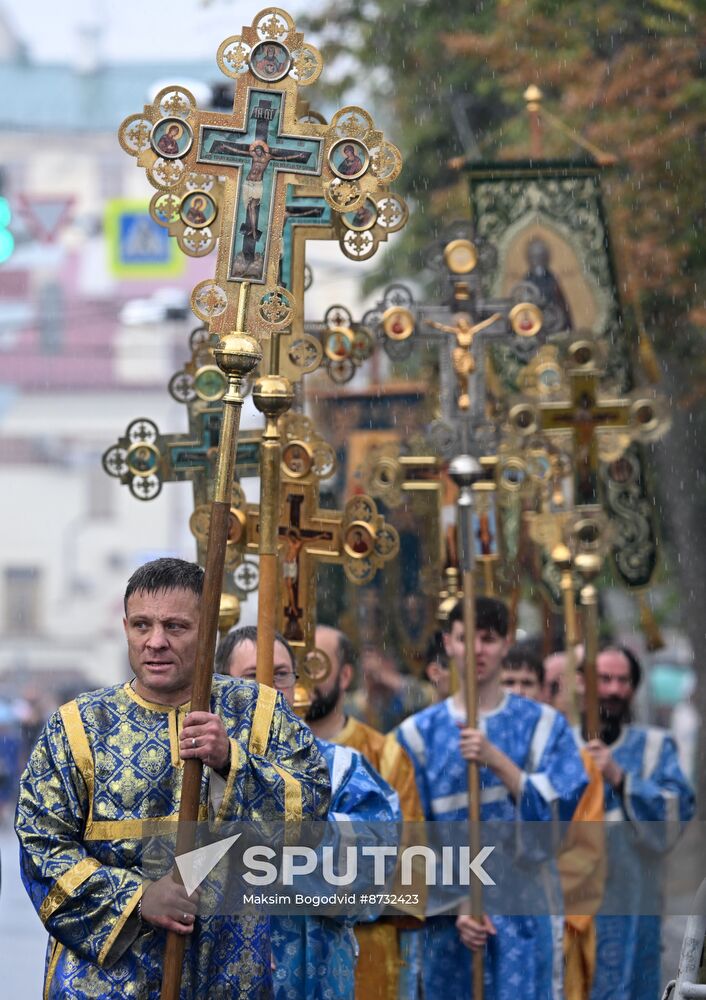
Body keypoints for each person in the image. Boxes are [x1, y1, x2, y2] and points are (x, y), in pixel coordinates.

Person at [15, 558, 331, 998]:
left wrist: (232, 761)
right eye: (142, 625)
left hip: (227, 971)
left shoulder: (259, 714)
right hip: (104, 984)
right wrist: (137, 899)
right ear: (125, 626)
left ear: (208, 632)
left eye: (176, 627)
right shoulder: (76, 728)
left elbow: (312, 815)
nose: (156, 642)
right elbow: (40, 845)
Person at [396, 598, 588, 1000]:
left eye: (489, 639)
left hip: (525, 916)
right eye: (467, 638)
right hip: (449, 923)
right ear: (449, 643)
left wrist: (499, 762)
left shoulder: (544, 726)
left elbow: (563, 808)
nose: (477, 650)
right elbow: (407, 837)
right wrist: (457, 902)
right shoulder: (416, 737)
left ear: (504, 644)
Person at [218, 625, 401, 1000]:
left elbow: (373, 873)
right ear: (221, 686)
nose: (270, 688)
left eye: (281, 674)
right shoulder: (199, 776)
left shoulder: (343, 769)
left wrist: (256, 846)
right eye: (253, 677)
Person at [575, 645, 695, 1000]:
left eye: (623, 681)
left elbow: (675, 813)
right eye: (604, 679)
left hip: (634, 913)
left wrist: (620, 778)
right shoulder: (558, 743)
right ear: (582, 683)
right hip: (572, 915)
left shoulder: (655, 747)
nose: (613, 690)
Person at [312, 624, 426, 1000]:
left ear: (345, 675)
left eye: (316, 665)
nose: (303, 680)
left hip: (367, 950)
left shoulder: (384, 756)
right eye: (293, 667)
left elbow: (408, 865)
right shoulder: (262, 755)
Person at [346, 644, 431, 734]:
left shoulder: (414, 691)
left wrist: (388, 678)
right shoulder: (353, 702)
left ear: (390, 664)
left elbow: (425, 700)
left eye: (381, 663)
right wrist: (369, 693)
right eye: (367, 671)